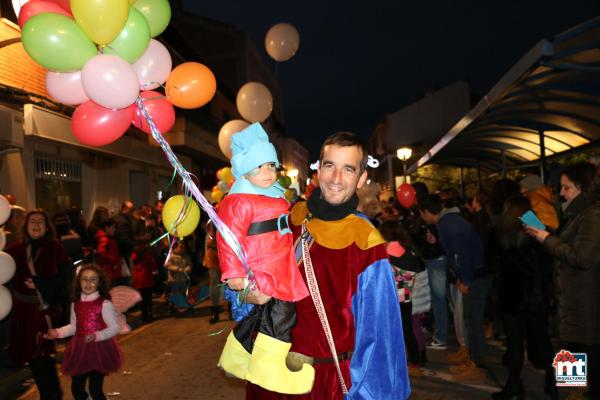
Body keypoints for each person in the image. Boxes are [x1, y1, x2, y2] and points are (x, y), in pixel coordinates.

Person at [246, 131, 409, 400]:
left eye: (348, 169)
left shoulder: (366, 244)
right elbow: (252, 270)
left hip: (326, 385)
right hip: (270, 376)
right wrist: (247, 293)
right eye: (330, 165)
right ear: (318, 170)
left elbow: (380, 339)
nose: (335, 178)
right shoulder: (291, 219)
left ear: (362, 178)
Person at [216, 123, 313, 394]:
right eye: (260, 167)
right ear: (244, 170)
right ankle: (270, 369)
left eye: (271, 165)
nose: (268, 172)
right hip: (263, 269)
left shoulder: (275, 196)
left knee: (264, 317)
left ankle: (238, 355)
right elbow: (228, 238)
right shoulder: (239, 200)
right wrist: (235, 276)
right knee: (282, 317)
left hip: (280, 265)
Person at [526, 162, 600, 399]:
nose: (561, 193)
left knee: (584, 373)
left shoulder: (593, 215)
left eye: (566, 188)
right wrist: (544, 234)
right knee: (571, 375)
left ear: (581, 187)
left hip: (585, 308)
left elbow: (583, 256)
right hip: (572, 306)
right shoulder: (576, 213)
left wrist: (547, 238)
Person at [488, 196, 556, 400]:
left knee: (515, 343)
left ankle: (514, 384)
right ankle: (553, 385)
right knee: (544, 341)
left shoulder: (498, 232)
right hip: (535, 296)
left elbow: (491, 264)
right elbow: (548, 257)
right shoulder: (535, 227)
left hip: (511, 296)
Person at [420, 194, 491, 383]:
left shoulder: (448, 223)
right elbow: (456, 251)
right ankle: (470, 357)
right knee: (468, 319)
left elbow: (463, 253)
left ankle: (477, 365)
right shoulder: (447, 222)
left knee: (472, 321)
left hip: (476, 275)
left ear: (426, 212)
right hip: (474, 274)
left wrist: (465, 279)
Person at [5, 209, 70, 399]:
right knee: (31, 356)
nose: (36, 225)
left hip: (43, 311)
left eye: (40, 222)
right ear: (25, 226)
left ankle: (52, 394)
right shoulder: (15, 250)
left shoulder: (55, 248)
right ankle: (50, 393)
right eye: (32, 221)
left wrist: (41, 283)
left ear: (47, 227)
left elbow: (65, 279)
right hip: (21, 312)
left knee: (40, 352)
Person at [45, 264, 123, 400]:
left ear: (99, 283)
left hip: (99, 349)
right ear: (78, 282)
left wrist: (97, 335)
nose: (88, 283)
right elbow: (74, 327)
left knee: (95, 389)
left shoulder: (104, 304)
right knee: (76, 388)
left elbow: (114, 327)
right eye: (84, 279)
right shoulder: (75, 303)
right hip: (79, 350)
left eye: (93, 279)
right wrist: (57, 333)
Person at [379, 220, 425, 377]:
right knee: (408, 330)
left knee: (389, 332)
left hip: (389, 298)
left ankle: (392, 364)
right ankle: (415, 362)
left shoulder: (383, 252)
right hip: (406, 298)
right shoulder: (409, 251)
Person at [165, 240, 192, 312]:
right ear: (175, 248)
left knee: (184, 292)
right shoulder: (171, 256)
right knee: (175, 293)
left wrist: (188, 268)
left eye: (183, 247)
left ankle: (185, 304)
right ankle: (172, 306)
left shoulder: (186, 256)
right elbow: (168, 265)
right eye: (180, 247)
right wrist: (176, 269)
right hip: (174, 279)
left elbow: (189, 264)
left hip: (183, 278)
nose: (182, 249)